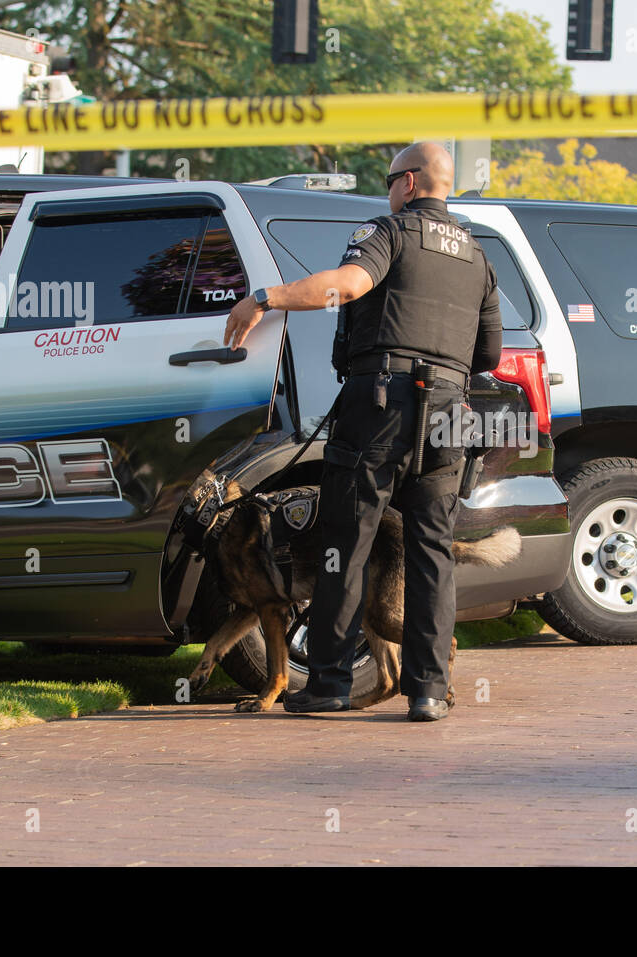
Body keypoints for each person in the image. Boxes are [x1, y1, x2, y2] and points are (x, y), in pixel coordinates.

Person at [223, 142, 502, 722]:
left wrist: (265, 298)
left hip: (380, 407)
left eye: (391, 178)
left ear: (411, 182)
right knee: (431, 554)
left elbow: (346, 287)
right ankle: (427, 691)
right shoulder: (477, 255)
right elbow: (489, 354)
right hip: (448, 414)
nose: (388, 188)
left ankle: (327, 684)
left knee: (343, 545)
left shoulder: (389, 232)